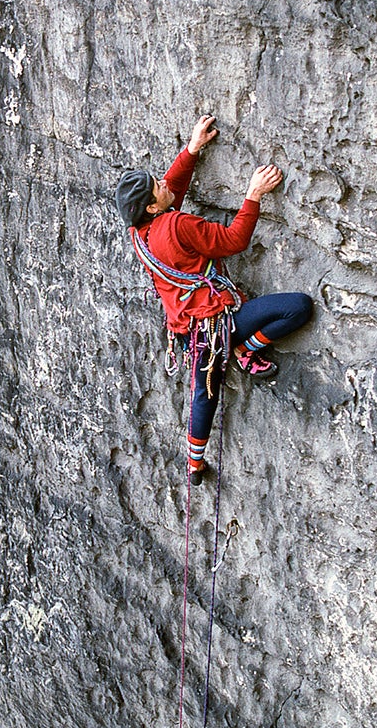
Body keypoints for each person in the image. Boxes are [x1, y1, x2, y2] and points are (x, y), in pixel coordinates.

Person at [115, 115, 313, 485]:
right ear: (154, 208)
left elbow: (170, 189)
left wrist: (192, 150)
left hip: (188, 330)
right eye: (156, 186)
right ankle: (246, 349)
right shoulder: (178, 225)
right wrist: (253, 194)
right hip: (218, 323)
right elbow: (234, 240)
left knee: (206, 391)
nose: (163, 182)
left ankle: (194, 466)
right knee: (298, 306)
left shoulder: (139, 232)